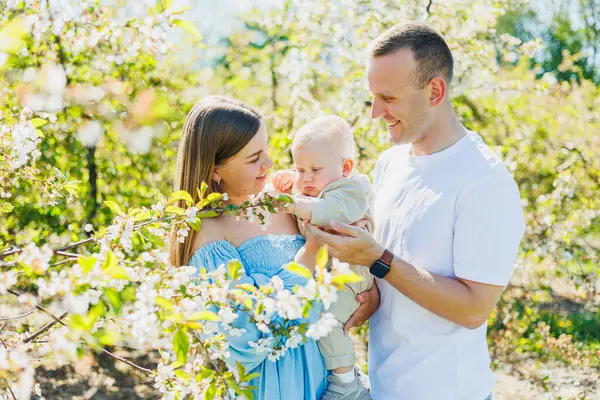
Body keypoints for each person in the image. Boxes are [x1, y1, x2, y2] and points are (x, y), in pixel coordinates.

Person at [305, 22, 526, 400]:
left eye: (388, 98)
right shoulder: (390, 163)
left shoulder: (485, 182)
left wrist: (379, 261)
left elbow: (474, 309)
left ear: (435, 91)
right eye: (373, 97)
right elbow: (393, 267)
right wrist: (374, 291)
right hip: (383, 388)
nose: (376, 113)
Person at [169, 95, 329, 399]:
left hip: (323, 369)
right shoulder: (210, 236)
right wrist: (307, 257)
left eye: (266, 150)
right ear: (215, 169)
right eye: (253, 158)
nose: (268, 163)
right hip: (273, 384)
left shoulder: (285, 203)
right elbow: (246, 337)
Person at [271, 115, 373, 400]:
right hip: (332, 276)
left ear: (346, 167)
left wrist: (293, 202)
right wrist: (291, 182)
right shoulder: (313, 187)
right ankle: (349, 376)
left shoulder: (351, 190)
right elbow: (310, 196)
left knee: (329, 322)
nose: (306, 178)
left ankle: (345, 385)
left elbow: (331, 210)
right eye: (299, 169)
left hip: (353, 277)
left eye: (315, 169)